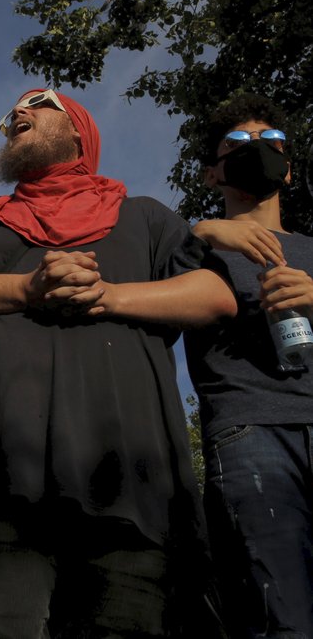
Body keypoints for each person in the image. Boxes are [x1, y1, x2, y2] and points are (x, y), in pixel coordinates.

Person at [0, 88, 237, 637]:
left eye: (38, 102)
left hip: (130, 497)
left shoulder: (143, 216)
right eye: (9, 113)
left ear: (79, 131)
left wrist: (107, 296)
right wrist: (27, 288)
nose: (16, 114)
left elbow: (213, 295)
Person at [183, 93, 313, 638]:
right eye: (236, 144)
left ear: (288, 166)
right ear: (213, 173)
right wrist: (202, 230)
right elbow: (139, 282)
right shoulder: (196, 249)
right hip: (250, 431)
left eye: (269, 142)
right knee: (282, 616)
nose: (254, 149)